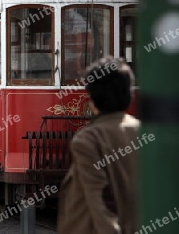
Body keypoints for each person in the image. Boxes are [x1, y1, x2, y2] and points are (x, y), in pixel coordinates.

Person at [58, 57, 140, 234]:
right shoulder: (142, 132)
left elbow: (100, 201)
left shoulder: (88, 139)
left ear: (92, 98)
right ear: (130, 95)